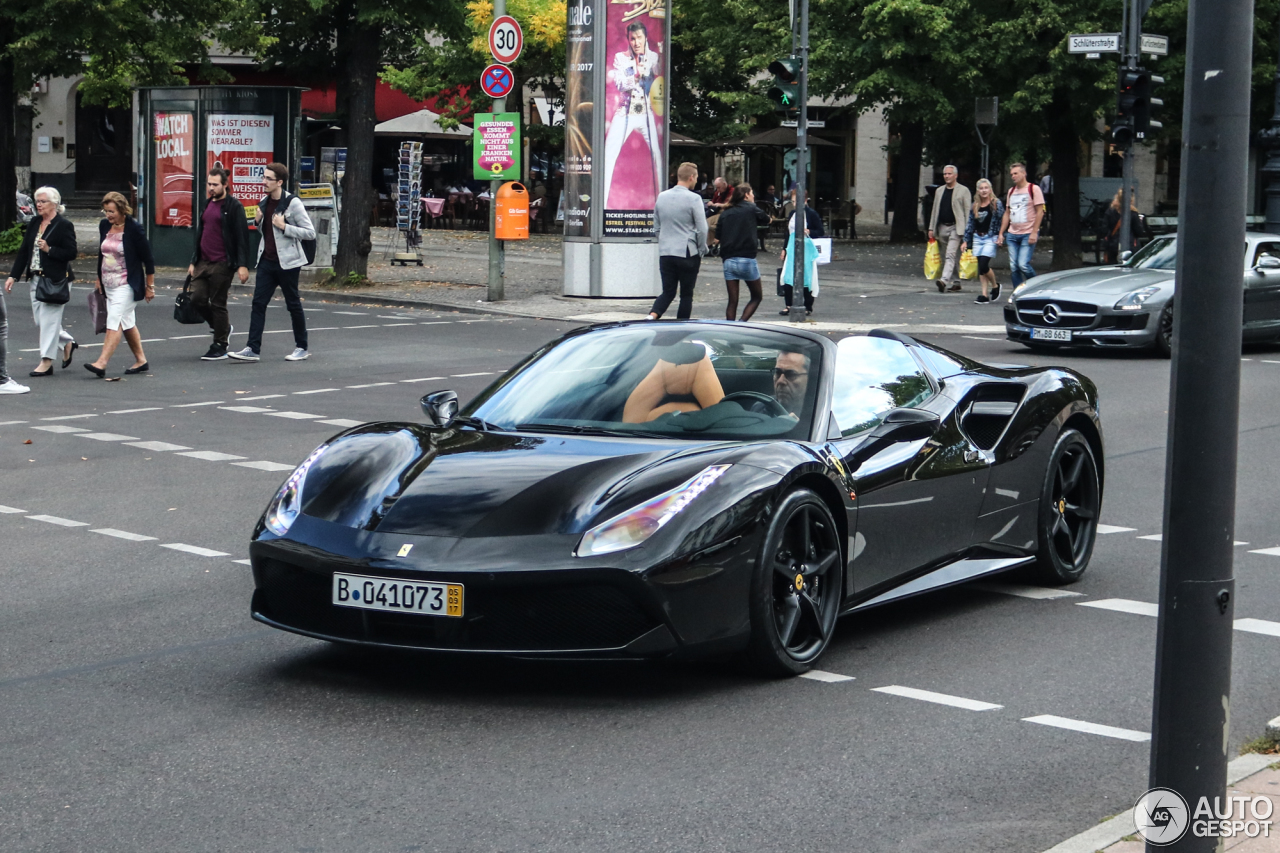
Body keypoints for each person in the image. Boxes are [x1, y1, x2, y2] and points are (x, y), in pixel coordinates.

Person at [229, 163, 317, 363]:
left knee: (293, 304)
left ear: (279, 182)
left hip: (287, 263)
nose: (264, 182)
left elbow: (310, 232)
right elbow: (267, 233)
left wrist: (285, 226)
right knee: (258, 303)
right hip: (266, 261)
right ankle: (252, 348)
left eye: (269, 179)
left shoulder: (292, 203)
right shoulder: (263, 201)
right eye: (263, 178)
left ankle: (301, 347)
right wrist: (258, 222)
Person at [4, 186, 76, 378]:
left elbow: (71, 252)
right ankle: (67, 342)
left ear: (54, 204)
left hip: (56, 279)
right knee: (42, 321)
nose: (39, 204)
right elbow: (24, 251)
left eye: (43, 201)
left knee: (49, 321)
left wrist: (49, 249)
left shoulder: (63, 225)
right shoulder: (35, 222)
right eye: (37, 201)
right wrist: (13, 276)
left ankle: (46, 362)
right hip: (36, 278)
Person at [85, 192, 155, 377]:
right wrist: (98, 277)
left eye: (112, 211)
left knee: (114, 320)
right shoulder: (104, 226)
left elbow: (148, 259)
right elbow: (102, 254)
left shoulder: (134, 229)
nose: (108, 215)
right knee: (127, 322)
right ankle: (141, 360)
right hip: (109, 283)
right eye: (106, 211)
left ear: (122, 210)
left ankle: (101, 363)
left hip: (127, 283)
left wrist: (150, 286)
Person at [189, 166, 250, 361]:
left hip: (223, 262)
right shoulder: (207, 204)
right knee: (196, 298)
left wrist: (242, 265)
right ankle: (222, 327)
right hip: (203, 261)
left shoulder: (233, 207)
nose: (211, 188)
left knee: (218, 302)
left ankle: (220, 344)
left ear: (225, 185)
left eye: (215, 185)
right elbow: (201, 233)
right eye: (209, 184)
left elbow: (241, 237)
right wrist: (193, 260)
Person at [602, 21, 663, 207]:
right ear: (628, 40)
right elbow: (620, 84)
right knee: (608, 155)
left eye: (639, 38)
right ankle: (602, 206)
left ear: (645, 38)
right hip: (626, 112)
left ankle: (660, 204)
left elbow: (659, 79)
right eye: (633, 38)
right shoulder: (621, 58)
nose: (636, 42)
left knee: (657, 156)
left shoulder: (654, 57)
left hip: (646, 112)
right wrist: (636, 75)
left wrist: (654, 70)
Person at [648, 161, 708, 320]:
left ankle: (652, 316)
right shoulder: (694, 199)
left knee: (668, 291)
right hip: (687, 250)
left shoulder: (662, 196)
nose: (696, 181)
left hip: (666, 251)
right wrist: (702, 248)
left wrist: (663, 241)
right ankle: (682, 325)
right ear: (691, 177)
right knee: (686, 295)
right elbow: (703, 229)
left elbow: (656, 226)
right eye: (696, 178)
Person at [716, 182, 771, 321]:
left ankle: (730, 328)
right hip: (747, 258)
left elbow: (717, 236)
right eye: (752, 193)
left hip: (728, 259)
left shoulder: (726, 212)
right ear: (746, 195)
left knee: (732, 301)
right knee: (756, 296)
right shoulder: (751, 208)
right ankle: (742, 323)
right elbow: (766, 219)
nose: (753, 196)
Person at [997, 162, 1046, 290]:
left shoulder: (1033, 189)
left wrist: (1034, 232)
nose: (1013, 176)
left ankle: (1036, 286)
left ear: (1024, 173)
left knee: (1023, 264)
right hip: (1013, 233)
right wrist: (1001, 233)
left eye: (1016, 173)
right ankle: (1018, 292)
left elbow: (1040, 212)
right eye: (1011, 174)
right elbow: (1007, 213)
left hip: (1028, 232)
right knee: (1014, 266)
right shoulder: (1011, 191)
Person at [927, 165, 973, 293]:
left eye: (949, 174)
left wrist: (967, 232)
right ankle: (957, 281)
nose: (946, 176)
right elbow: (934, 210)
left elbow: (967, 212)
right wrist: (931, 227)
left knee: (950, 254)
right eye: (945, 174)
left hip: (956, 227)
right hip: (942, 227)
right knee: (948, 256)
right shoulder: (939, 191)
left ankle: (944, 280)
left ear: (955, 175)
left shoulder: (963, 191)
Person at [961, 178, 1004, 304]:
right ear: (978, 191)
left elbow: (1003, 219)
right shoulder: (975, 205)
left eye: (986, 188)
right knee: (981, 267)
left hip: (990, 237)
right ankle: (984, 295)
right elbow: (970, 224)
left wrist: (1001, 235)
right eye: (981, 188)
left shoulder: (996, 203)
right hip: (977, 238)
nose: (984, 190)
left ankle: (995, 286)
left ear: (990, 189)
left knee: (984, 264)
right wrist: (965, 241)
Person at [779, 221, 819, 316]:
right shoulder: (792, 214)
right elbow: (788, 233)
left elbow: (819, 231)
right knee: (788, 277)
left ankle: (807, 305)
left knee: (807, 277)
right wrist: (784, 249)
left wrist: (809, 231)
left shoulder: (811, 214)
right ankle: (788, 305)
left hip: (807, 249)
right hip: (792, 247)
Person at [1103, 188, 1145, 263]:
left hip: (1112, 246)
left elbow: (1104, 229)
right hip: (1130, 246)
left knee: (1112, 268)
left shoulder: (1110, 212)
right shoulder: (1132, 213)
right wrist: (1140, 222)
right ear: (1131, 200)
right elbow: (1139, 232)